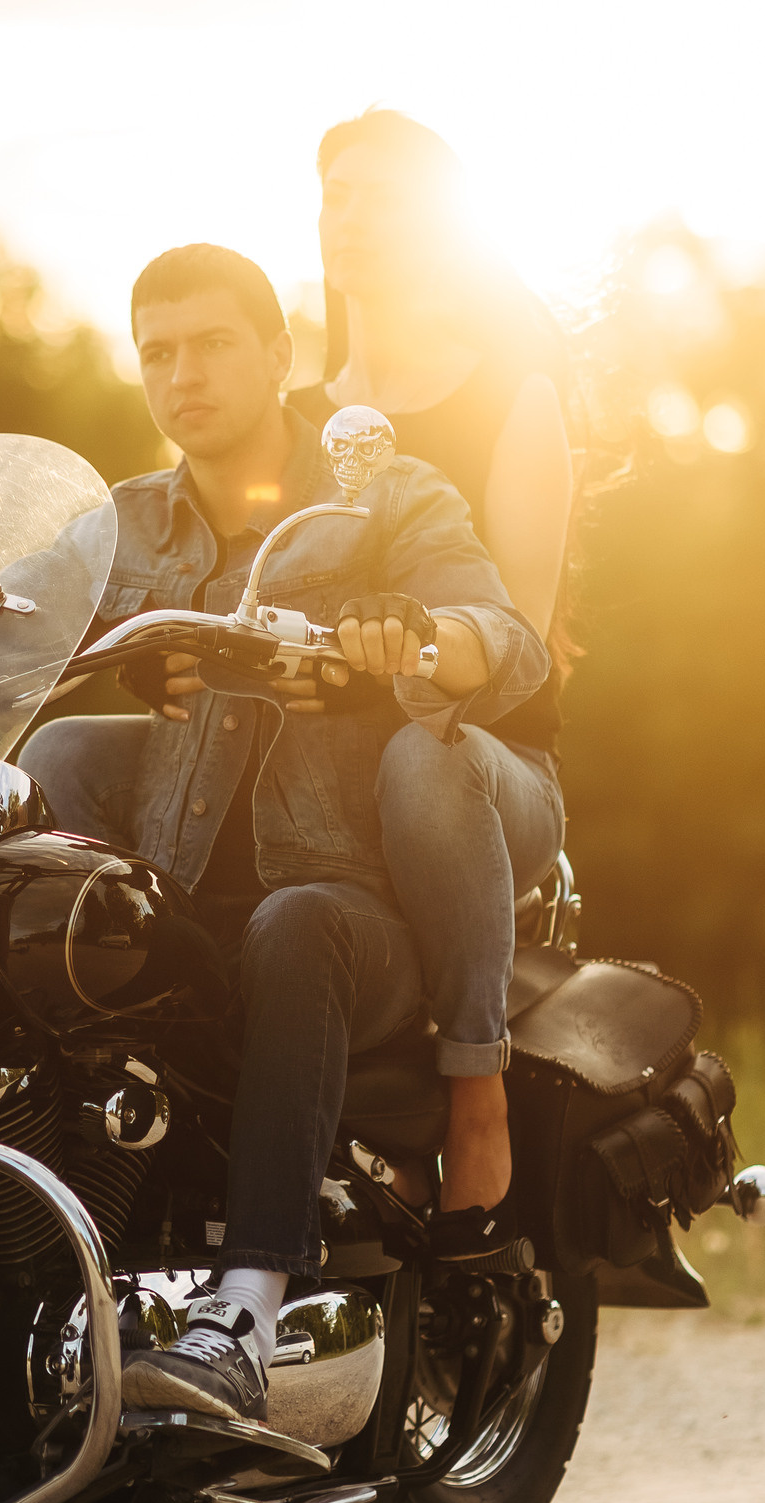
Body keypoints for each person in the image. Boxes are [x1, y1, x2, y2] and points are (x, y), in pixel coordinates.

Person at [19, 245, 547, 1422]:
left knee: (296, 920)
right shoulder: (122, 523)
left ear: (279, 355)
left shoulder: (382, 492)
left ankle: (244, 1315)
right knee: (43, 771)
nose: (183, 374)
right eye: (157, 351)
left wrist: (409, 636)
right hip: (187, 879)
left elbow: (504, 638)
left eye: (211, 344)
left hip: (355, 901)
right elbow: (2, 622)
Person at [286, 109, 578, 1231]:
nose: (343, 217)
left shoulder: (511, 397)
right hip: (314, 772)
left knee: (422, 750)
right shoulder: (294, 416)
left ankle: (475, 1081)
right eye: (330, 193)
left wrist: (407, 654)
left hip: (483, 777)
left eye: (375, 195)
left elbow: (509, 664)